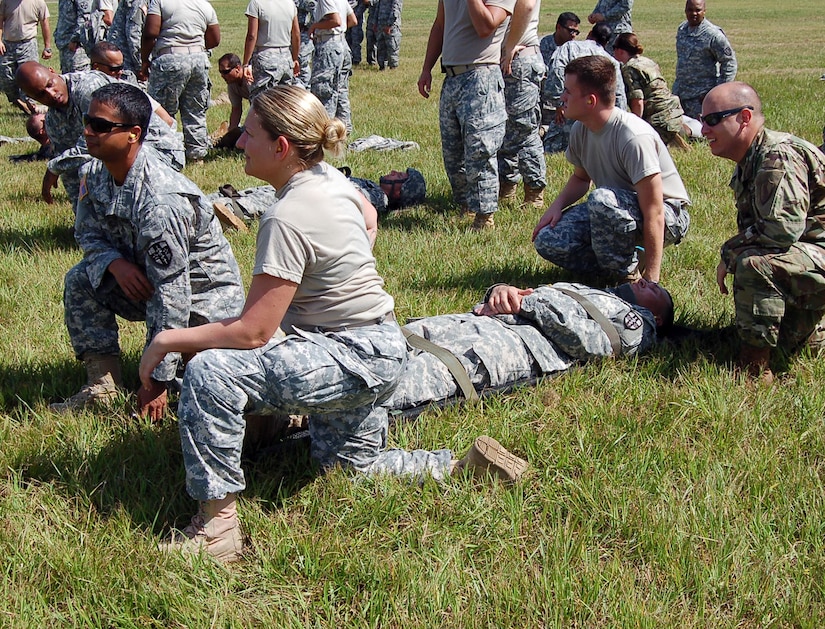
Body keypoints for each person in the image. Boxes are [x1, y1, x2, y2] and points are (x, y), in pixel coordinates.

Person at [137, 86, 528, 562]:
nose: (239, 142)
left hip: (349, 356)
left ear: (281, 148)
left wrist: (166, 340)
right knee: (349, 470)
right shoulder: (331, 181)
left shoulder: (285, 216)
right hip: (383, 347)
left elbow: (253, 332)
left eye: (250, 134)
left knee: (210, 374)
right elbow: (367, 216)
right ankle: (462, 468)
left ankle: (217, 530)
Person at [51, 82, 244, 417]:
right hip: (142, 279)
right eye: (87, 121)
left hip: (202, 300)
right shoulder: (94, 172)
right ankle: (103, 387)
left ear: (132, 134)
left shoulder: (160, 200)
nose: (87, 132)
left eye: (100, 126)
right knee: (81, 279)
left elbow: (174, 294)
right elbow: (87, 233)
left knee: (203, 395)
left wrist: (156, 380)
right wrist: (114, 264)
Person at [387, 279, 673, 412]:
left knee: (417, 377)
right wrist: (500, 291)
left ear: (658, 318)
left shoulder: (639, 323)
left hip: (516, 344)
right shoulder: (591, 290)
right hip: (480, 320)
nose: (648, 282)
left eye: (657, 291)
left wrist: (526, 303)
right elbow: (529, 294)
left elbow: (596, 344)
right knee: (389, 341)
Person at [702, 82, 825, 383]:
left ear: (744, 117)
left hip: (816, 253)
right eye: (702, 120)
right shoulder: (751, 159)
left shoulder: (776, 156)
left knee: (755, 264)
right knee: (799, 347)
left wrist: (729, 252)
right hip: (810, 255)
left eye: (712, 120)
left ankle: (754, 371)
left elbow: (781, 229)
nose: (703, 130)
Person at [532, 55, 691, 284]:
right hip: (614, 210)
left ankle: (628, 278)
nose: (562, 97)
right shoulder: (581, 129)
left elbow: (654, 212)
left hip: (668, 215)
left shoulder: (633, 137)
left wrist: (652, 280)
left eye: (568, 91)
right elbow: (580, 178)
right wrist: (554, 208)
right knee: (548, 240)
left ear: (590, 101)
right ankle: (613, 270)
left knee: (601, 199)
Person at [16, 60, 184, 211]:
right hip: (121, 153)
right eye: (41, 94)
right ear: (31, 98)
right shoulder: (53, 121)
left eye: (50, 84)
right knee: (88, 172)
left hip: (155, 148)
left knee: (98, 169)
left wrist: (55, 167)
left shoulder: (87, 87)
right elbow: (71, 171)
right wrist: (82, 219)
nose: (51, 94)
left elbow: (99, 138)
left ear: (52, 71)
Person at [417, 0, 516, 231]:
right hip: (452, 77)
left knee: (479, 151)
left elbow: (485, 26)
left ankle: (484, 216)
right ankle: (466, 204)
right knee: (453, 153)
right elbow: (440, 26)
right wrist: (426, 69)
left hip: (481, 76)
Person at [139, 0, 220, 162]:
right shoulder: (204, 5)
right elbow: (215, 39)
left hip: (170, 58)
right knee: (195, 111)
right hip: (198, 60)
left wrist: (144, 60)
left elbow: (150, 34)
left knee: (163, 111)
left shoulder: (160, 2)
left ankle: (164, 154)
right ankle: (197, 157)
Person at [542, 23, 626, 154]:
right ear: (607, 42)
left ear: (590, 33)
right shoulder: (611, 61)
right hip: (596, 117)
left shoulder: (570, 47)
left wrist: (558, 103)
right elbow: (618, 94)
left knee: (554, 146)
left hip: (569, 111)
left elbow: (556, 72)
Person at [497, 0, 546, 209]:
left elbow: (526, 5)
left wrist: (509, 47)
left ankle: (534, 193)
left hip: (519, 59)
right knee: (505, 131)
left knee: (524, 130)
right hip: (504, 60)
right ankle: (507, 187)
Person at [612, 32, 688, 149]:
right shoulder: (647, 61)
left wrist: (634, 126)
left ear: (620, 50)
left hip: (659, 118)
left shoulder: (629, 68)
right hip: (673, 112)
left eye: (614, 48)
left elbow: (638, 101)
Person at [672, 0, 736, 120]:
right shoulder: (682, 29)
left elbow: (729, 63)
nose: (694, 13)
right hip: (681, 93)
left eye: (698, 10)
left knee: (702, 133)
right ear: (685, 10)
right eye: (690, 10)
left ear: (704, 11)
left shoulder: (713, 35)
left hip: (701, 97)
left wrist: (717, 92)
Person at [308, 0, 353, 133]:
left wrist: (314, 26)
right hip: (342, 44)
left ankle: (326, 130)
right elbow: (352, 20)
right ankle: (344, 128)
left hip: (329, 45)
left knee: (324, 90)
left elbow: (335, 20)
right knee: (341, 89)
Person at [0, 0, 51, 113]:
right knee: (5, 78)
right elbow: (0, 21)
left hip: (28, 44)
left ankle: (31, 106)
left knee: (29, 78)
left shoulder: (38, 2)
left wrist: (47, 47)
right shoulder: (6, 2)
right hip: (8, 45)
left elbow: (45, 23)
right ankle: (18, 101)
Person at [242, 0, 300, 97]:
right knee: (284, 101)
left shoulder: (256, 3)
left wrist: (246, 64)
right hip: (286, 58)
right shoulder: (290, 3)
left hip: (265, 57)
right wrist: (295, 59)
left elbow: (252, 36)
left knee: (262, 101)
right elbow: (296, 34)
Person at [215, 53, 249, 149]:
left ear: (238, 68)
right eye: (220, 72)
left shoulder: (249, 80)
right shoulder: (232, 84)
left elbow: (258, 111)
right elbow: (236, 109)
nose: (222, 76)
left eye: (225, 72)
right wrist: (231, 134)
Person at [105, 0, 146, 75]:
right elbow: (133, 35)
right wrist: (140, 66)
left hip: (127, 57)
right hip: (125, 59)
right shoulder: (138, 2)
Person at [55, 0, 91, 73]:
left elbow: (85, 18)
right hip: (65, 44)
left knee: (79, 78)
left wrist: (75, 39)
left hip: (76, 47)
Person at [293, 0, 315, 87]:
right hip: (288, 35)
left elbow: (314, 8)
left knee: (301, 68)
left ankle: (305, 92)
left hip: (301, 36)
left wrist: (311, 27)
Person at [374, 0, 400, 70]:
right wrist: (375, 22)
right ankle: (382, 66)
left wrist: (389, 24)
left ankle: (393, 67)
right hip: (380, 24)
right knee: (381, 47)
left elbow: (395, 10)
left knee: (392, 47)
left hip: (391, 27)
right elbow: (377, 8)